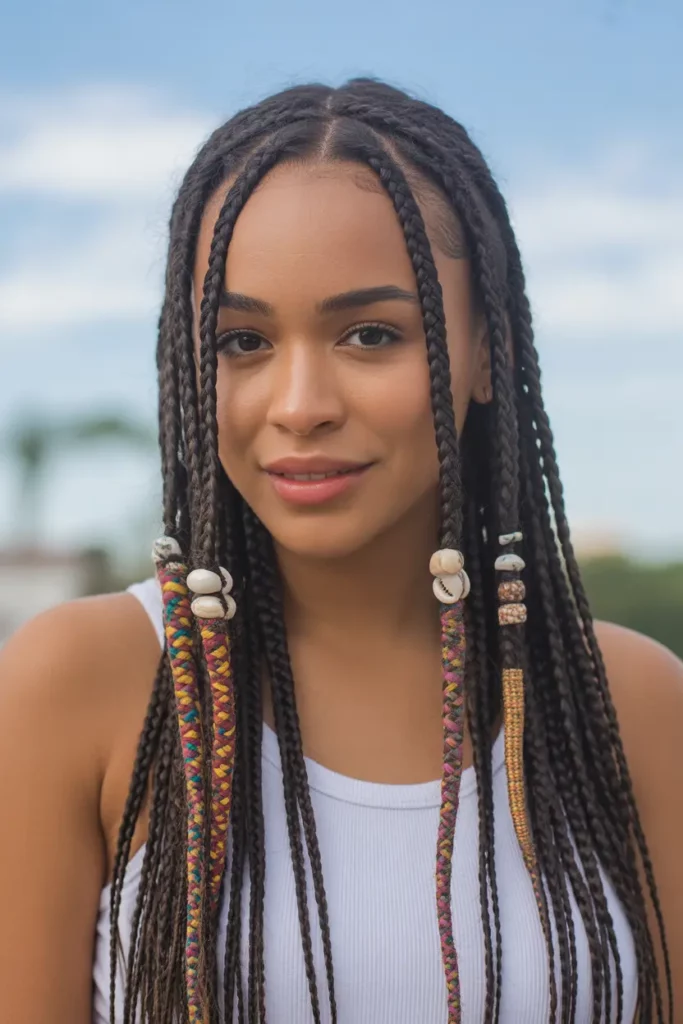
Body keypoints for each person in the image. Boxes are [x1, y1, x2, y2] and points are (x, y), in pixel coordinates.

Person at [0, 78, 681, 1024]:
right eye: (242, 340)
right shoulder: (78, 683)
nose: (298, 403)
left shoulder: (630, 707)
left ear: (486, 351)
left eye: (370, 334)